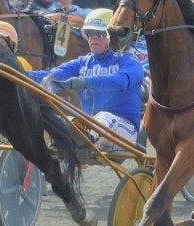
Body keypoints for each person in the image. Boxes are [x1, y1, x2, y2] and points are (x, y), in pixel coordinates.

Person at [28, 8, 145, 151]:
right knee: (61, 121)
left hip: (124, 131)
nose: (93, 38)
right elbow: (50, 75)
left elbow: (120, 81)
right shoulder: (82, 62)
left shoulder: (129, 61)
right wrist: (17, 71)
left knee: (102, 119)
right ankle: (71, 142)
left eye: (100, 33)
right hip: (91, 126)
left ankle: (79, 141)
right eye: (89, 33)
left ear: (112, 36)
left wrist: (86, 81)